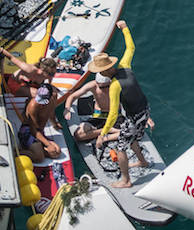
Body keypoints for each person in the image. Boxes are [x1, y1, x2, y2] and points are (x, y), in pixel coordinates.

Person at [59, 21, 153, 187]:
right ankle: (143, 161)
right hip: (144, 110)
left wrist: (103, 135)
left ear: (103, 71)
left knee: (122, 148)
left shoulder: (115, 86)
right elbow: (130, 48)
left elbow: (113, 114)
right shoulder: (125, 66)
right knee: (132, 139)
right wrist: (125, 28)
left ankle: (125, 180)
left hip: (132, 118)